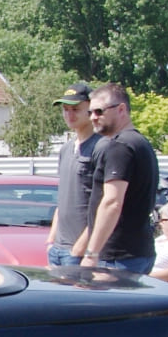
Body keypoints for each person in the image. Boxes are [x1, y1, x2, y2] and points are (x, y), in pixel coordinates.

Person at [78, 83, 158, 274]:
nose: (93, 118)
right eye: (90, 112)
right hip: (137, 252)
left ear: (121, 109)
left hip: (117, 257)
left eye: (99, 111)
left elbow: (112, 202)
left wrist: (91, 254)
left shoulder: (120, 146)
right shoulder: (140, 143)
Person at [46, 82, 99, 266]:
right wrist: (51, 240)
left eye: (75, 109)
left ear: (90, 110)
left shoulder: (101, 147)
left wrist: (81, 248)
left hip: (79, 252)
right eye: (65, 109)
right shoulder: (66, 149)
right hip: (57, 249)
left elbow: (103, 205)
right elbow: (62, 199)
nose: (69, 114)